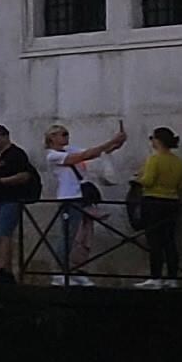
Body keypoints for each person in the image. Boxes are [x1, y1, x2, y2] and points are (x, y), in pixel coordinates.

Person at [41, 119, 126, 282]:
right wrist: (111, 142)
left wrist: (117, 143)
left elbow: (95, 152)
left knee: (82, 236)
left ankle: (75, 271)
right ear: (52, 138)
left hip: (81, 196)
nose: (67, 137)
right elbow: (84, 156)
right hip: (68, 197)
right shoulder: (53, 156)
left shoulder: (69, 150)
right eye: (63, 134)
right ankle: (59, 272)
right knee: (68, 235)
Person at [0, 123, 42, 282]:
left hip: (10, 199)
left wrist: (0, 181)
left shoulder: (17, 154)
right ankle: (0, 267)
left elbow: (24, 175)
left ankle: (3, 268)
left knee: (4, 232)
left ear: (5, 136)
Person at [132, 126, 182, 281]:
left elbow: (149, 181)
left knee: (154, 242)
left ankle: (155, 278)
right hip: (172, 202)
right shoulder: (180, 162)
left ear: (157, 141)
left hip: (153, 202)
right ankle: (172, 278)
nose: (151, 142)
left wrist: (137, 179)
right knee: (170, 241)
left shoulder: (155, 159)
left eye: (152, 138)